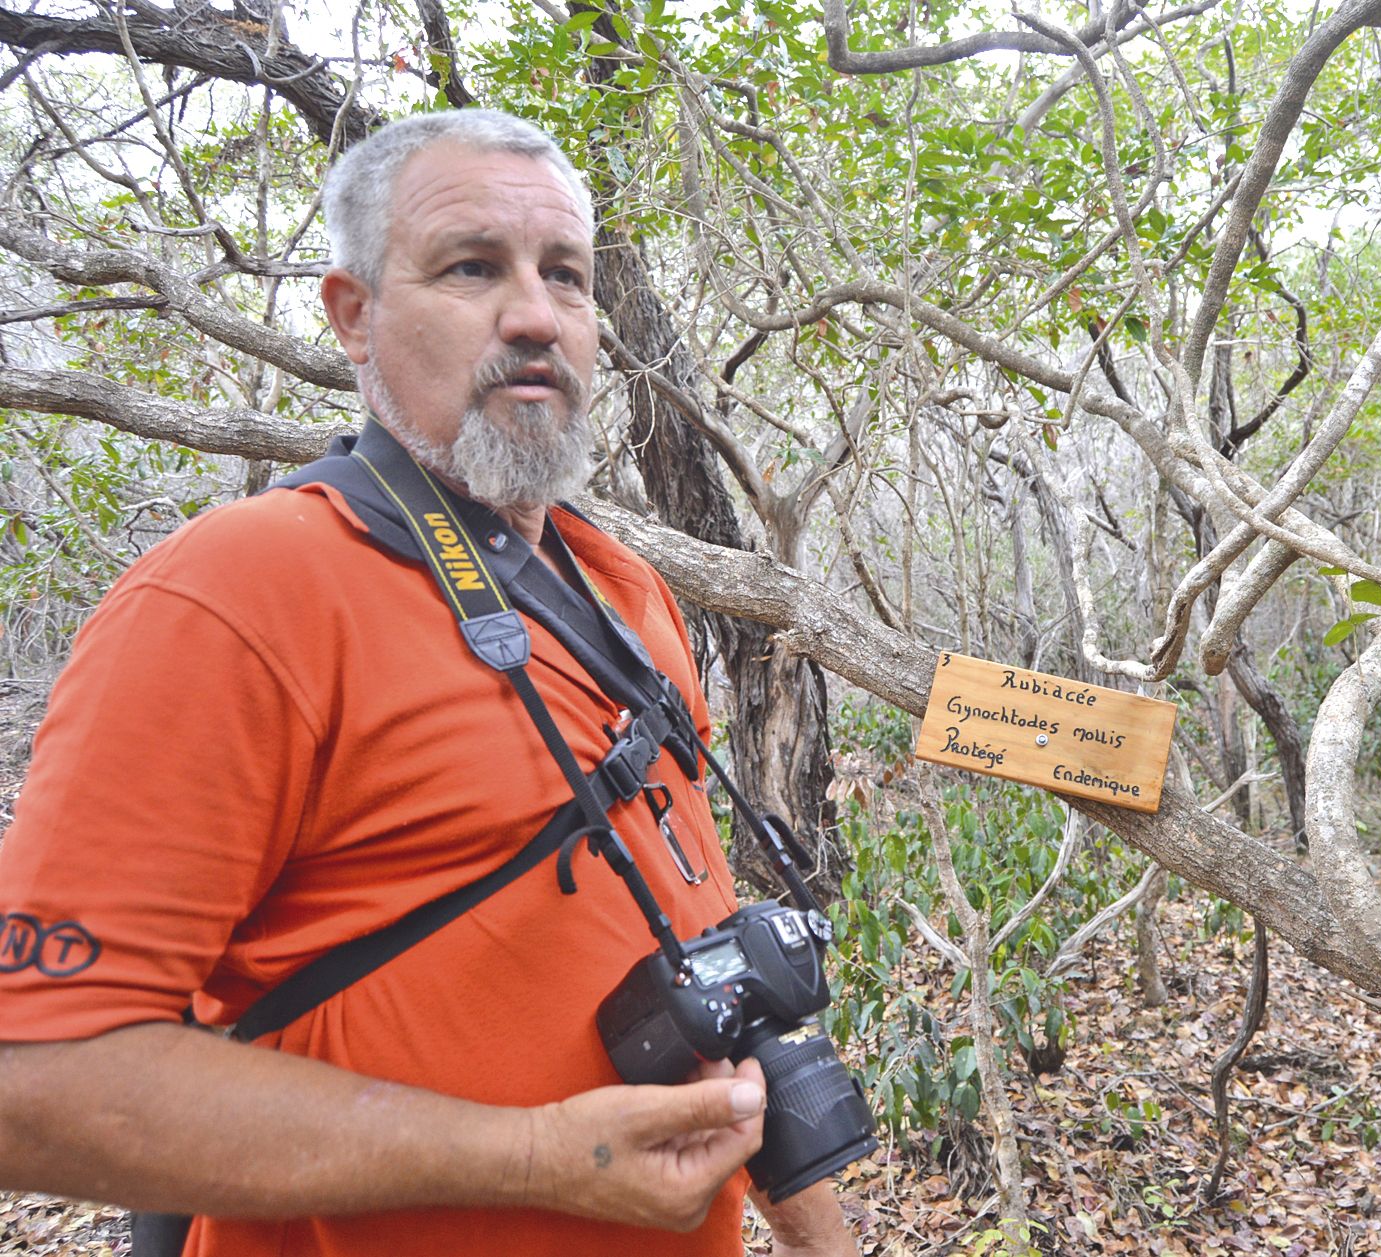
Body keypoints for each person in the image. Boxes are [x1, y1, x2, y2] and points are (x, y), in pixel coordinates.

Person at [0, 109, 857, 1257]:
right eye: (471, 268)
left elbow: (710, 963)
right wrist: (533, 1160)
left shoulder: (626, 593)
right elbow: (32, 1082)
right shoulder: (240, 593)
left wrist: (817, 1234)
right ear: (353, 315)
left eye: (566, 275)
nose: (535, 315)